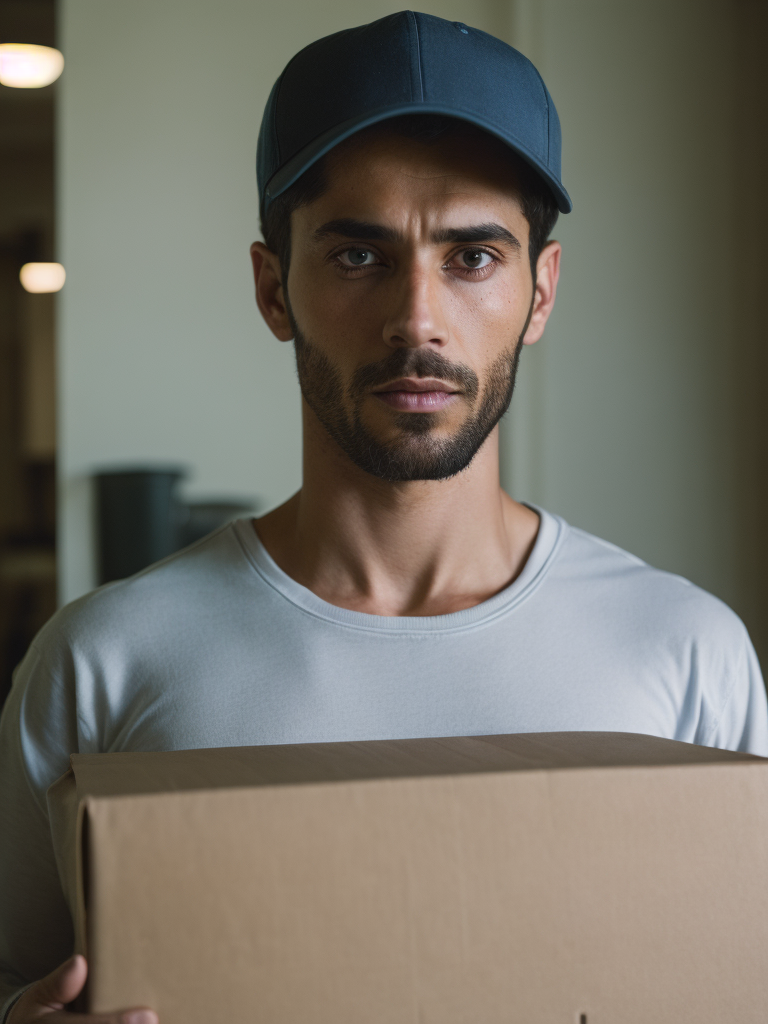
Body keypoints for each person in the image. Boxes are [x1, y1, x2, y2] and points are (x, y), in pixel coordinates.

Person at [2, 10, 767, 1024]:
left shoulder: (687, 654)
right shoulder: (107, 659)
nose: (417, 317)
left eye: (473, 257)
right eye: (359, 255)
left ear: (541, 292)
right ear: (275, 289)